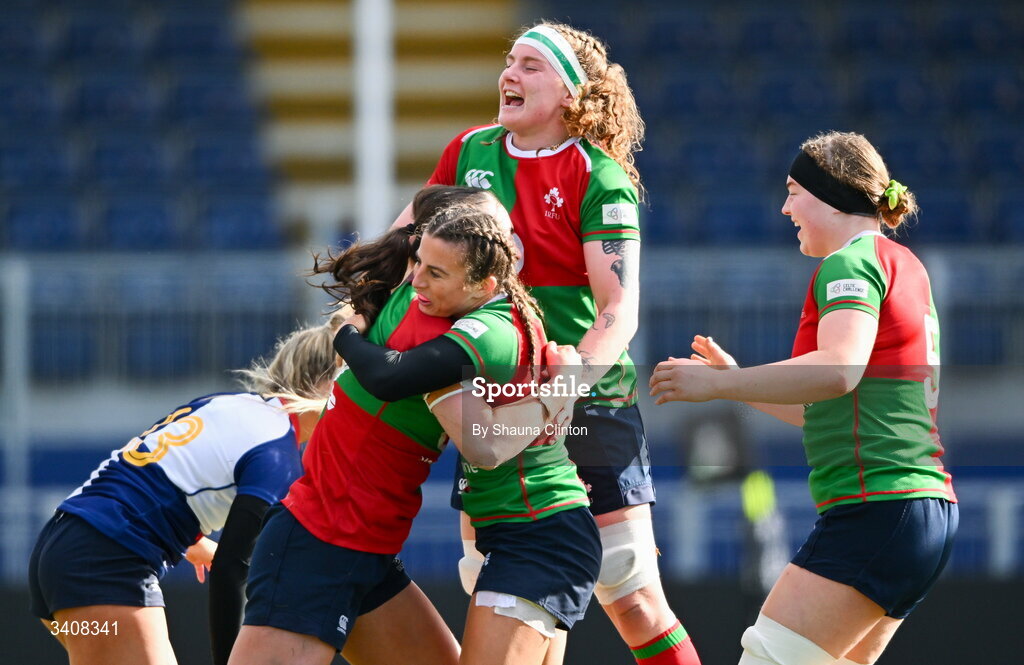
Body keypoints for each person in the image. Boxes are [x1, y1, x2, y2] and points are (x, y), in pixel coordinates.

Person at [389, 22, 701, 665]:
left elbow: (619, 309)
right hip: (497, 393)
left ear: (570, 92)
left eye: (531, 65)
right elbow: (401, 252)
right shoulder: (469, 151)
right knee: (497, 579)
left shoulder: (599, 175)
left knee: (631, 589)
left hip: (584, 399)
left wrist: (566, 389)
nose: (509, 74)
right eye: (508, 61)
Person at [228, 185, 597, 665]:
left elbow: (415, 397)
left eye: (435, 269)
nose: (419, 278)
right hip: (323, 538)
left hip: (364, 542)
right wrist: (559, 395)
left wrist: (557, 396)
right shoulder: (443, 307)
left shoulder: (455, 322)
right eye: (420, 260)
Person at [650, 131, 958, 665]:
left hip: (876, 510)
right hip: (919, 510)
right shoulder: (902, 262)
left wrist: (721, 384)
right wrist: (739, 378)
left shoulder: (849, 263)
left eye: (794, 191)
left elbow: (838, 370)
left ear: (831, 192)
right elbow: (823, 404)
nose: (785, 206)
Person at [28, 316, 341, 665]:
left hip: (60, 554)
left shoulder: (226, 403)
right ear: (331, 386)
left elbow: (160, 472)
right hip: (104, 564)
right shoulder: (277, 455)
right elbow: (231, 569)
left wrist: (193, 541)